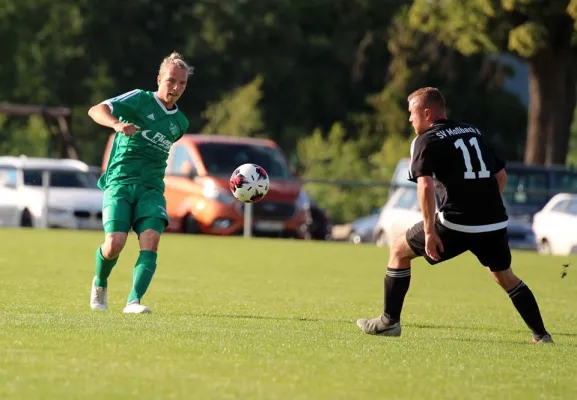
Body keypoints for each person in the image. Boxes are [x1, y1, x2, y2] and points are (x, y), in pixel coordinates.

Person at [356, 87, 553, 344]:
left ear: (427, 113)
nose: (409, 120)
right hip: (493, 221)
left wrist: (429, 232)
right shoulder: (474, 131)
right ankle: (541, 335)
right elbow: (501, 177)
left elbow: (424, 187)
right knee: (505, 276)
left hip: (455, 222)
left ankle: (389, 322)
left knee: (398, 250)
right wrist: (485, 207)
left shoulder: (425, 139)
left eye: (412, 114)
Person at [87, 52, 192, 313]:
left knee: (151, 239)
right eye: (171, 81)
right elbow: (95, 110)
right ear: (159, 79)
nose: (176, 87)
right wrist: (115, 125)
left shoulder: (180, 123)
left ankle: (133, 301)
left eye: (182, 83)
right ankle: (100, 284)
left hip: (152, 189)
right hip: (120, 183)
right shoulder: (139, 99)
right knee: (114, 244)